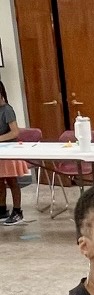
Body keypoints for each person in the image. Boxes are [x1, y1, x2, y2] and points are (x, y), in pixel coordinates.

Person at [0, 80, 28, 226]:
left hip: (9, 151)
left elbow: (15, 132)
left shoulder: (7, 110)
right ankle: (2, 208)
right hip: (0, 153)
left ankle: (17, 211)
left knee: (12, 181)